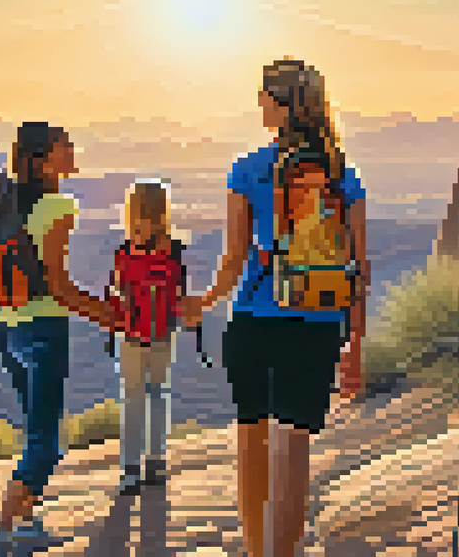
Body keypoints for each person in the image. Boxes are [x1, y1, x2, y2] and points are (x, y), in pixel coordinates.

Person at [180, 58, 370, 557]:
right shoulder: (341, 175)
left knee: (252, 442)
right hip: (320, 319)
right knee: (293, 446)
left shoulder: (248, 170)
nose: (259, 104)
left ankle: (255, 549)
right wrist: (356, 342)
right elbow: (358, 267)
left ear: (281, 105)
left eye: (264, 96)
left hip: (254, 319)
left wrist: (204, 299)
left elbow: (234, 256)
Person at [0, 122, 118, 556]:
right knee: (46, 442)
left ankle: (25, 522)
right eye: (65, 146)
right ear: (43, 158)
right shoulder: (58, 206)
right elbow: (58, 287)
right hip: (43, 331)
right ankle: (4, 528)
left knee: (35, 430)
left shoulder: (4, 200)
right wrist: (108, 315)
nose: (73, 150)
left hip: (8, 327)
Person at [107, 179, 188, 495]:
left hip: (130, 333)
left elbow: (116, 291)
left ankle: (129, 469)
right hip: (163, 331)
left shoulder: (124, 252)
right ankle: (156, 462)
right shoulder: (174, 250)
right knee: (158, 393)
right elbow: (180, 293)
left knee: (133, 398)